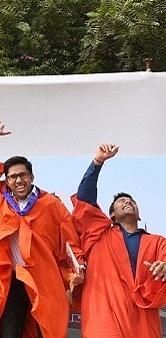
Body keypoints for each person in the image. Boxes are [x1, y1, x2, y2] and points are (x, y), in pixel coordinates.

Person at [0, 119, 85, 337]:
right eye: (12, 176)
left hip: (43, 276)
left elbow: (69, 241)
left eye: (23, 175)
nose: (18, 180)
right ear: (6, 181)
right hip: (10, 279)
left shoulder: (51, 204)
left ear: (31, 177)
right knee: (9, 332)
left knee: (44, 330)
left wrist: (77, 268)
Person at [71, 143, 166, 337]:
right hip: (105, 314)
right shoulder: (98, 233)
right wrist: (98, 162)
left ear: (139, 214)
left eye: (131, 201)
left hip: (144, 316)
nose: (127, 202)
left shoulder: (158, 242)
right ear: (112, 215)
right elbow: (84, 199)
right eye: (121, 202)